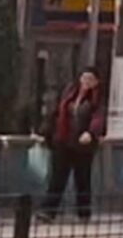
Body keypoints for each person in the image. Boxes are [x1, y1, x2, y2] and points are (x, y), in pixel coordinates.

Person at [41, 69, 105, 221]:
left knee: (82, 179)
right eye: (84, 78)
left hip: (83, 145)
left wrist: (90, 133)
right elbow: (56, 112)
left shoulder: (96, 99)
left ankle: (83, 213)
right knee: (57, 178)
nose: (86, 82)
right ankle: (48, 212)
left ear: (96, 82)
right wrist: (46, 130)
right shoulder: (69, 93)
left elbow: (98, 118)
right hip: (63, 140)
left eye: (90, 79)